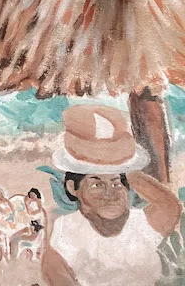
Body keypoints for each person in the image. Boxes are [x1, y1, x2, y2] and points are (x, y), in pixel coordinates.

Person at [42, 105, 181, 286]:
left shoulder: (142, 224)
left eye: (116, 183)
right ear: (72, 187)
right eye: (97, 184)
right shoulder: (64, 234)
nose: (110, 193)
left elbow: (170, 205)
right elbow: (57, 275)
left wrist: (124, 165)